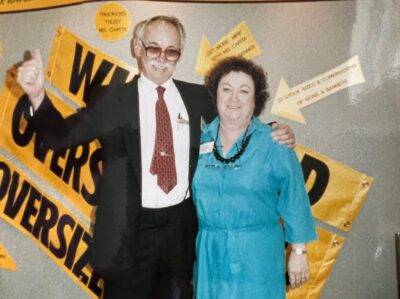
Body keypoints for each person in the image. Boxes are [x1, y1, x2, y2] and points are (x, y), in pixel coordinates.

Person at [16, 15, 296, 299]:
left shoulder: (200, 98)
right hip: (126, 237)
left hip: (180, 234)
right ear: (138, 47)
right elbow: (61, 137)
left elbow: (237, 123)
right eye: (154, 48)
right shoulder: (112, 99)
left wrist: (273, 131)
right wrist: (37, 96)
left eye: (171, 51)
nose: (162, 58)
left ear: (179, 55)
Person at [192, 56, 317, 299]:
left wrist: (299, 251)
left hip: (256, 253)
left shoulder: (274, 141)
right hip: (210, 251)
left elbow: (295, 195)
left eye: (243, 91)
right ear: (215, 94)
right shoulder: (199, 140)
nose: (233, 99)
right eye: (226, 89)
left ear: (255, 99)